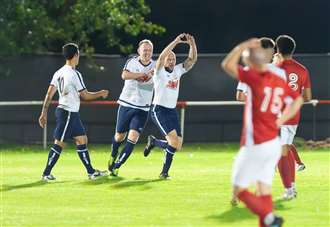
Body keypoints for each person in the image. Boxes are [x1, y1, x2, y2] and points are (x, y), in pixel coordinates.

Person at [221, 38, 303, 227]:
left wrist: (241, 46)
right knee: (263, 189)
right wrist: (280, 120)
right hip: (273, 141)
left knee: (239, 190)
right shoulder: (279, 76)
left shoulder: (254, 75)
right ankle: (266, 221)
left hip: (255, 143)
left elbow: (227, 64)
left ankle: (269, 218)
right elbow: (297, 100)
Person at [39, 43, 109, 181]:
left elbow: (49, 94)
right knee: (59, 143)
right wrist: (101, 93)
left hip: (69, 113)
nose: (79, 57)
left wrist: (44, 112)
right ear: (76, 55)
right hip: (68, 112)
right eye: (79, 54)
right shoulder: (74, 74)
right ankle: (46, 173)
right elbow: (85, 95)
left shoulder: (58, 72)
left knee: (82, 139)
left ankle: (91, 172)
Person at [143, 33, 197, 179]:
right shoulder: (159, 71)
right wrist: (176, 41)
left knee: (177, 145)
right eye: (169, 58)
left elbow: (191, 60)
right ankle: (164, 173)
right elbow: (161, 57)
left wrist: (192, 44)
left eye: (173, 58)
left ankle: (154, 142)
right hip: (159, 109)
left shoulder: (178, 70)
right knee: (172, 141)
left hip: (171, 110)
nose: (172, 61)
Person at [108, 39, 155, 176]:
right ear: (139, 51)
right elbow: (124, 75)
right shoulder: (132, 62)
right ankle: (113, 155)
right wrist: (141, 75)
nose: (147, 52)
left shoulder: (156, 65)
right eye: (144, 50)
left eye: (149, 50)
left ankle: (117, 166)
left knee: (133, 138)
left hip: (143, 108)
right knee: (119, 137)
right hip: (127, 104)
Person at [274, 35, 312, 200]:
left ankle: (289, 190)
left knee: (281, 151)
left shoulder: (275, 69)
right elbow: (308, 97)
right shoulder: (302, 69)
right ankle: (291, 188)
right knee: (285, 149)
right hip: (293, 115)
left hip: (276, 115)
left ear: (277, 49)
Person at [235, 38, 286, 102]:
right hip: (274, 110)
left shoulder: (248, 70)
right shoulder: (280, 71)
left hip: (255, 110)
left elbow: (240, 96)